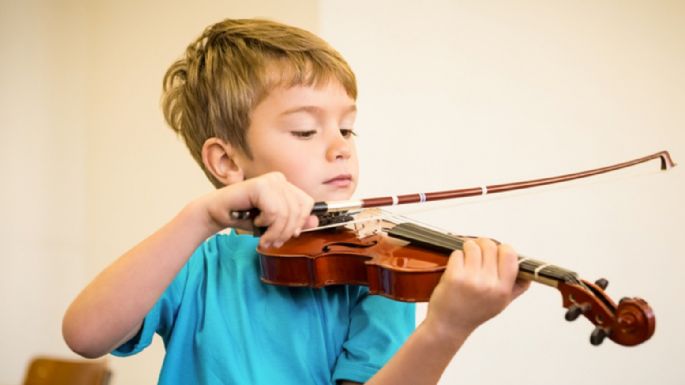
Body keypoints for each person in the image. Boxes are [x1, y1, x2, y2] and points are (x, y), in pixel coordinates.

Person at [62, 18, 529, 385]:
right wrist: (200, 215)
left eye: (347, 128)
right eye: (306, 130)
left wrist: (445, 329)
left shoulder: (377, 275)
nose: (340, 146)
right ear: (226, 162)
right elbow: (84, 335)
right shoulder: (198, 265)